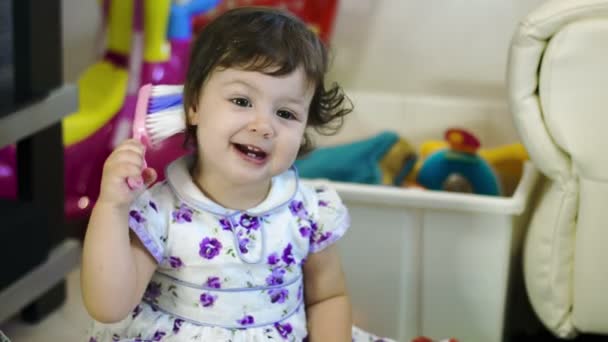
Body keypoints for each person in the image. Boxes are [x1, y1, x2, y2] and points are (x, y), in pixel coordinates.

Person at [82, 6, 393, 342]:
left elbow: (328, 297)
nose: (263, 126)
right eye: (242, 101)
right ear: (194, 105)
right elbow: (109, 306)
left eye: (286, 112)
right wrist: (112, 208)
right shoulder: (161, 210)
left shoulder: (307, 211)